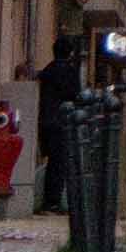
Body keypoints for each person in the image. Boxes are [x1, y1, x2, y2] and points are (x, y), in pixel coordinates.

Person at [35, 32, 82, 214]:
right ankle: (53, 201)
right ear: (69, 53)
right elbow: (75, 95)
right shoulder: (70, 72)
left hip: (45, 121)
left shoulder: (47, 71)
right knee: (60, 163)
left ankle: (49, 200)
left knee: (51, 161)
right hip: (62, 122)